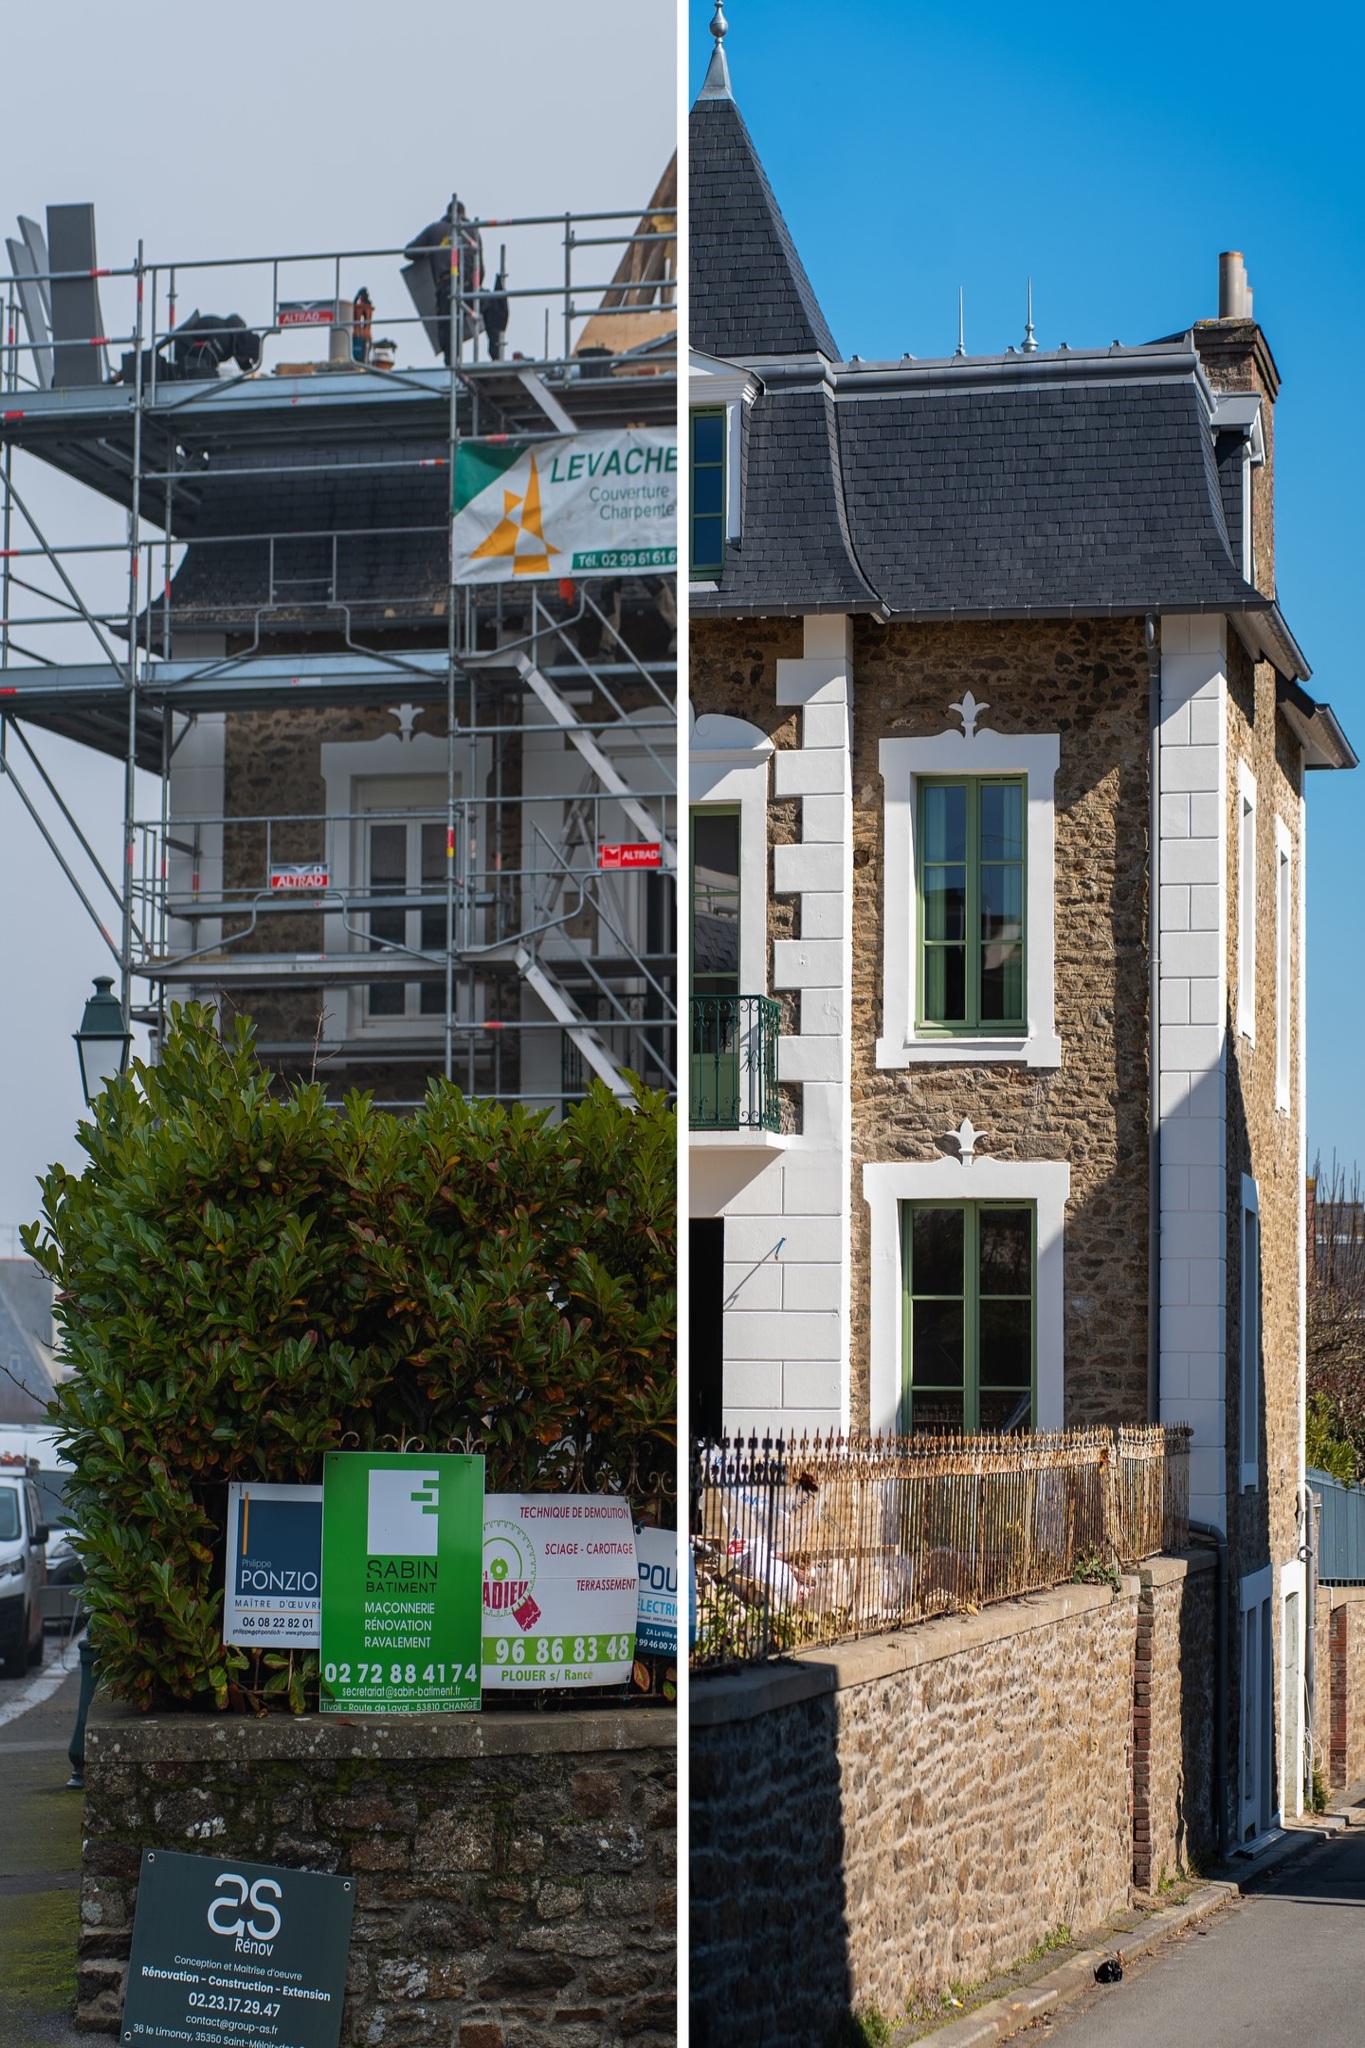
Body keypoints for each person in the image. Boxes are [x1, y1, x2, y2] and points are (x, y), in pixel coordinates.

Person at [406, 201, 484, 364]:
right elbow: (480, 269)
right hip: (469, 287)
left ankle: (452, 368)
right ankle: (496, 352)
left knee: (449, 333)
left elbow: (410, 252)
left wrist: (429, 251)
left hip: (446, 288)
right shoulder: (472, 232)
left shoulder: (435, 230)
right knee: (493, 305)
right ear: (464, 214)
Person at [351, 287, 373, 366]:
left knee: (363, 354)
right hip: (359, 334)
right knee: (360, 355)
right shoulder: (363, 306)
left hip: (362, 335)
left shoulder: (366, 306)